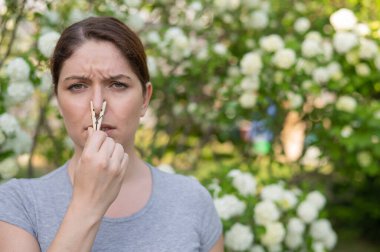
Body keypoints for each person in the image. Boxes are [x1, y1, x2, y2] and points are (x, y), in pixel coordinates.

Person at [0, 16, 224, 251]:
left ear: (145, 99)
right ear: (58, 98)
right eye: (77, 86)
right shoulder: (18, 205)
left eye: (118, 84)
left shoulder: (192, 200)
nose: (97, 105)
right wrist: (87, 204)